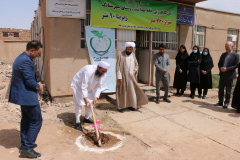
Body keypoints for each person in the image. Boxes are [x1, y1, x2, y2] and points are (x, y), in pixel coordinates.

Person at [8, 40, 45, 158]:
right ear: (32, 50)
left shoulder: (22, 57)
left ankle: (25, 145)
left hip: (23, 96)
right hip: (27, 96)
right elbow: (29, 81)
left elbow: (26, 78)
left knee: (26, 120)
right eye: (38, 53)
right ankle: (27, 148)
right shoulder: (25, 61)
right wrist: (39, 86)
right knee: (36, 120)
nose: (38, 55)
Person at [71, 61, 110, 131]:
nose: (103, 73)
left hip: (88, 88)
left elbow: (99, 86)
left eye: (104, 72)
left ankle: (86, 118)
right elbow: (84, 85)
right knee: (79, 104)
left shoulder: (100, 73)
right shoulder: (88, 70)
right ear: (98, 67)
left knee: (90, 102)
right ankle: (77, 122)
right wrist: (85, 98)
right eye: (102, 71)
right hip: (78, 86)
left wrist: (96, 97)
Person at [116, 42, 148, 112]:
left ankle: (132, 105)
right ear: (126, 48)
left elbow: (137, 65)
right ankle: (121, 107)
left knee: (132, 92)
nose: (129, 51)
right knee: (123, 92)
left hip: (132, 78)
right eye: (128, 49)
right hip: (123, 77)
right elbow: (117, 66)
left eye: (131, 49)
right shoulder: (121, 54)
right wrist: (119, 77)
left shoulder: (133, 55)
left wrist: (135, 70)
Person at [215, 41, 239, 108]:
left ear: (232, 46)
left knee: (228, 90)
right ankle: (220, 102)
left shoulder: (236, 55)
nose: (226, 48)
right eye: (225, 47)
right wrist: (220, 68)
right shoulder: (223, 54)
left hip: (230, 75)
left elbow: (236, 65)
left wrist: (227, 69)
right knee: (221, 89)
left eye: (227, 47)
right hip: (222, 74)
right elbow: (219, 63)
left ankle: (226, 102)